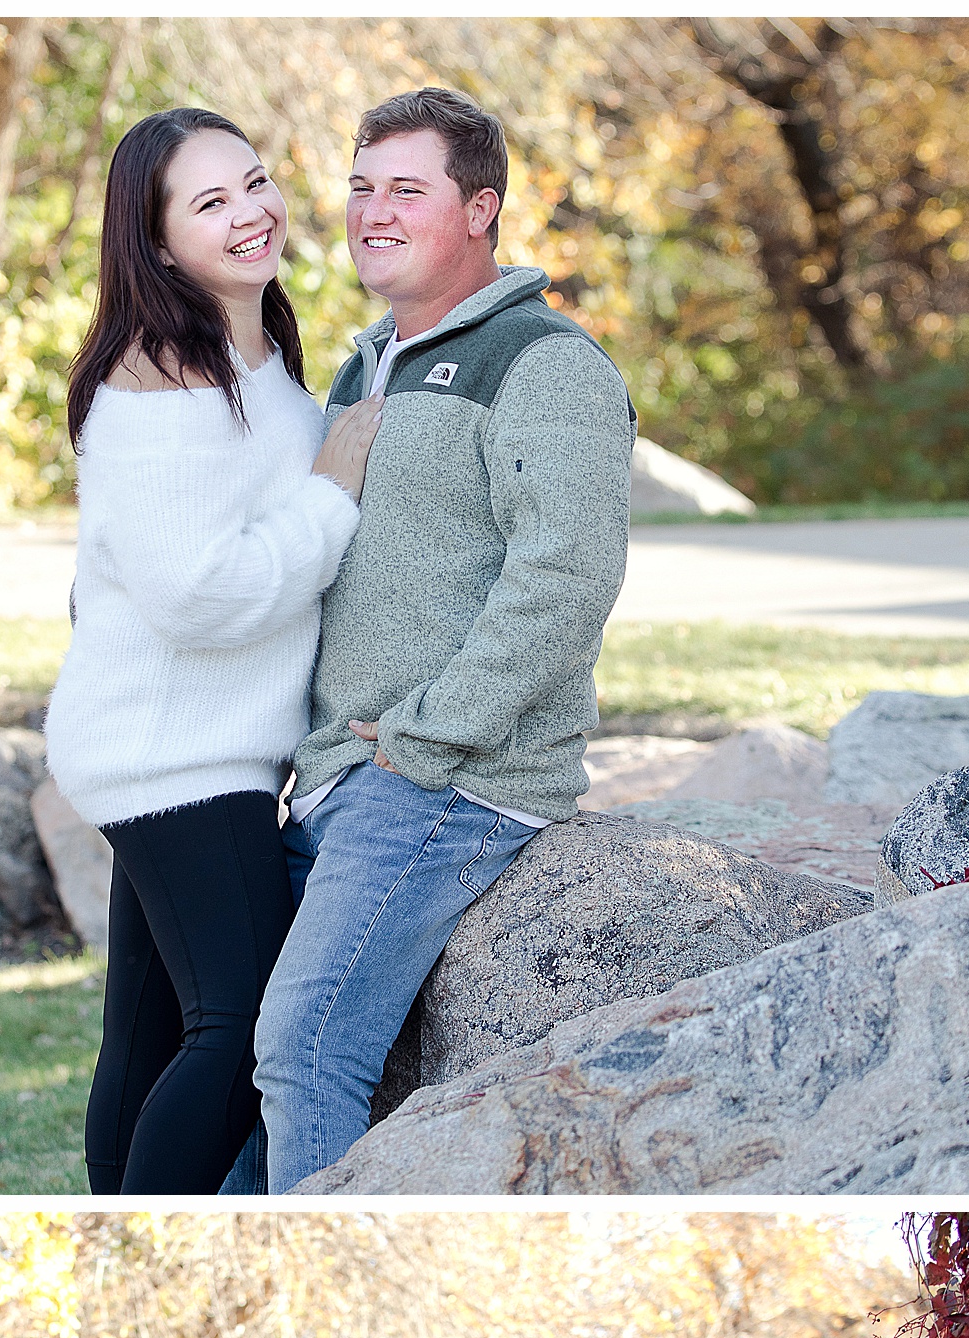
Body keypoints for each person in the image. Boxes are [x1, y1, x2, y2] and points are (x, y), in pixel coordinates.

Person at [250, 88, 637, 1191]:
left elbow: (567, 576)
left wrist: (430, 731)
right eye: (363, 187)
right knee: (229, 1053)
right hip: (338, 775)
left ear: (480, 209)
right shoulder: (365, 365)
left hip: (443, 780)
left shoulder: (546, 362)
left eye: (405, 190)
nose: (373, 210)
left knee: (305, 1050)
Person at [44, 106, 382, 1195]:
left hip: (191, 747)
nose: (251, 212)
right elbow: (197, 592)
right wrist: (333, 493)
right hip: (175, 759)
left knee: (148, 1042)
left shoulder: (249, 356)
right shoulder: (160, 380)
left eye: (256, 181)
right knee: (241, 1037)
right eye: (211, 202)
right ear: (155, 243)